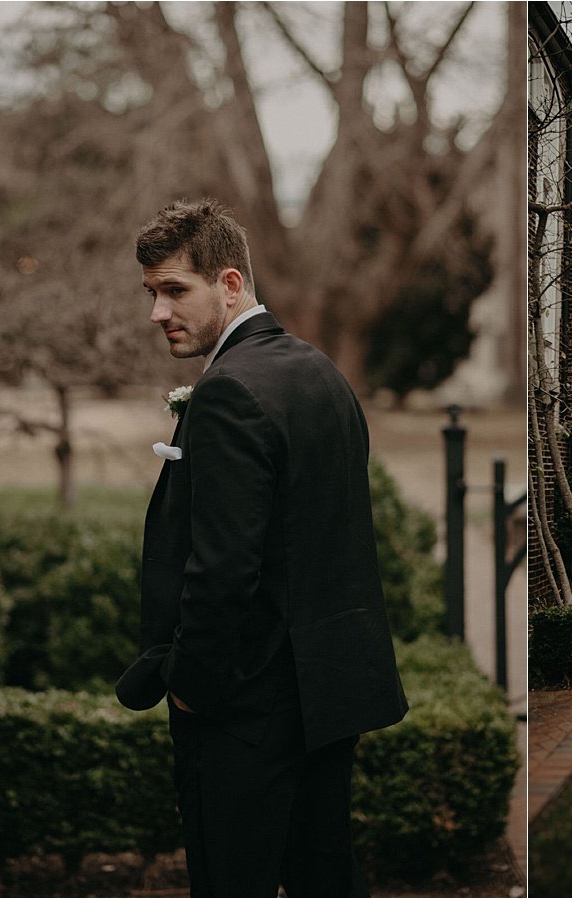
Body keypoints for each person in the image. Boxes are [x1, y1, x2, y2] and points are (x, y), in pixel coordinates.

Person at [115, 198, 408, 896]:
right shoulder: (321, 374)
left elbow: (221, 572)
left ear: (231, 284)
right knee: (323, 876)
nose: (158, 312)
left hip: (245, 711)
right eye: (152, 293)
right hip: (327, 695)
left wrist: (189, 687)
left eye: (175, 290)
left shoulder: (229, 392)